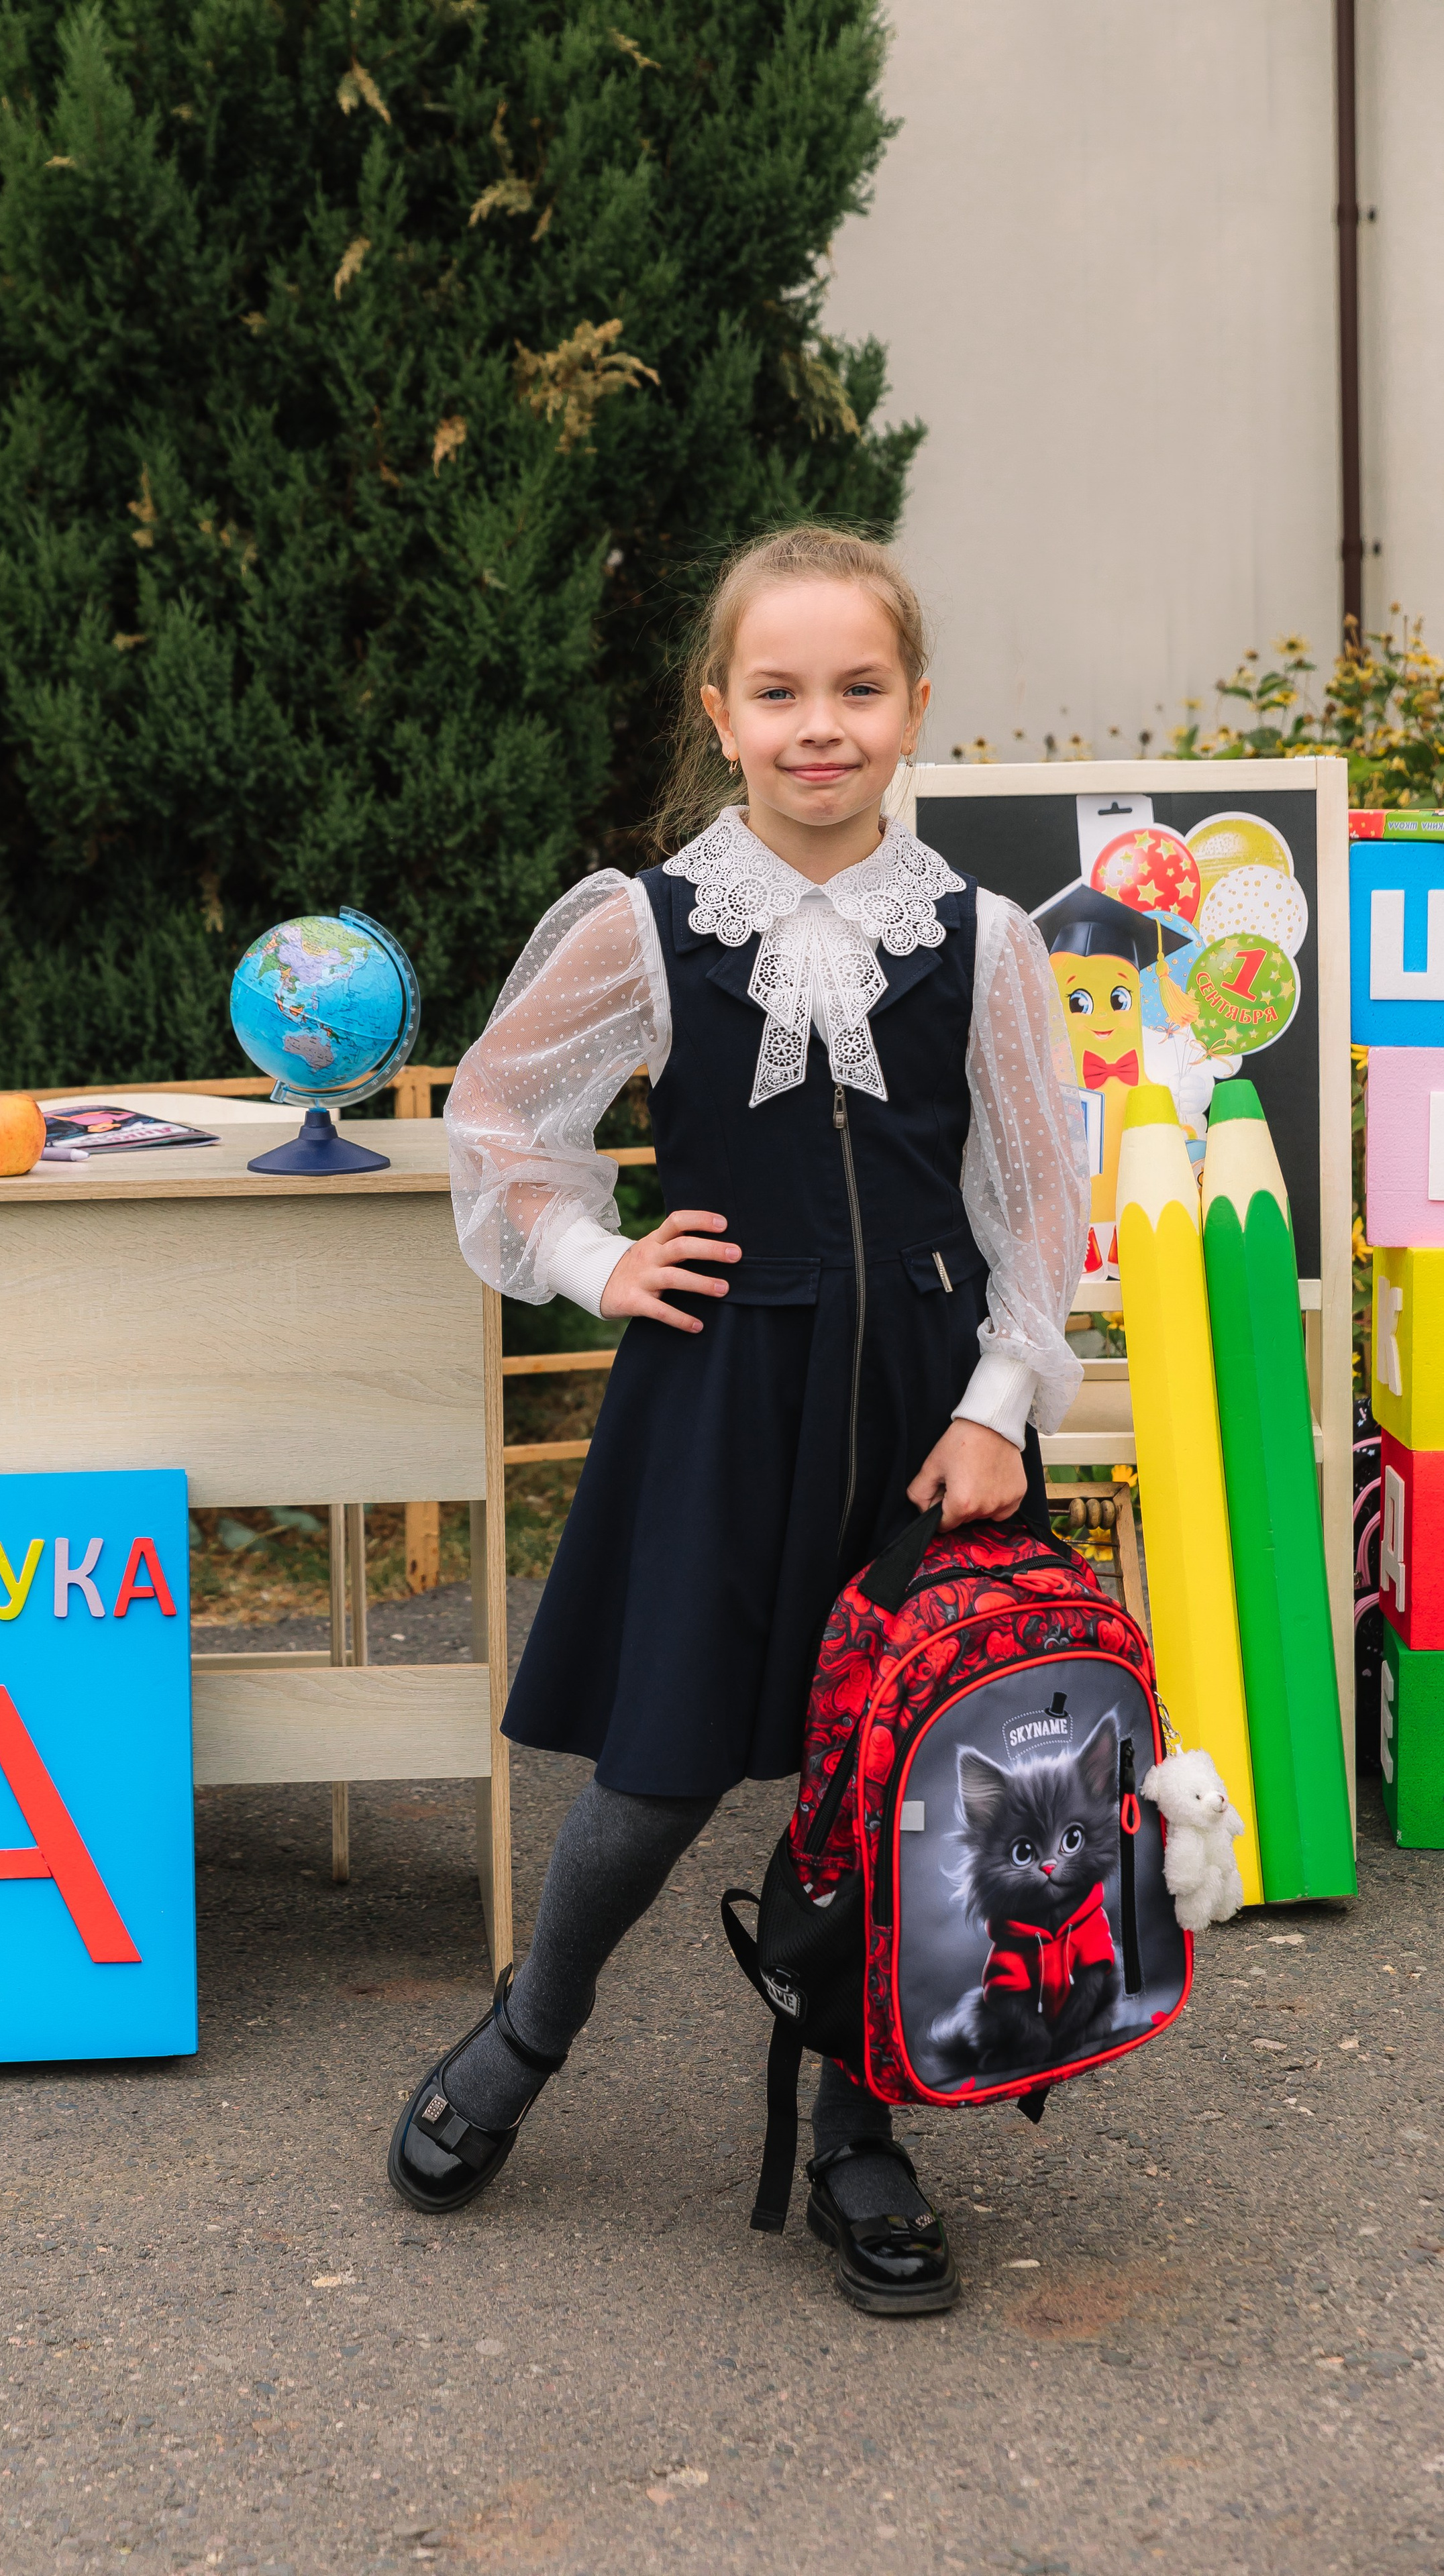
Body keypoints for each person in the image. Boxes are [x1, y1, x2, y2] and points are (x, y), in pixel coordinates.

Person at [388, 525, 1090, 2316]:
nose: (820, 727)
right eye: (779, 693)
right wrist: (589, 1258)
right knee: (663, 1766)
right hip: (718, 1397)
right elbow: (497, 1116)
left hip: (926, 1419)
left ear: (913, 708)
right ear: (723, 714)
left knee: (906, 1774)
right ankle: (533, 2031)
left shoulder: (984, 941)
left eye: (858, 690)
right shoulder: (649, 922)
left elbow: (1033, 1199)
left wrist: (1006, 1400)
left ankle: (865, 2123)